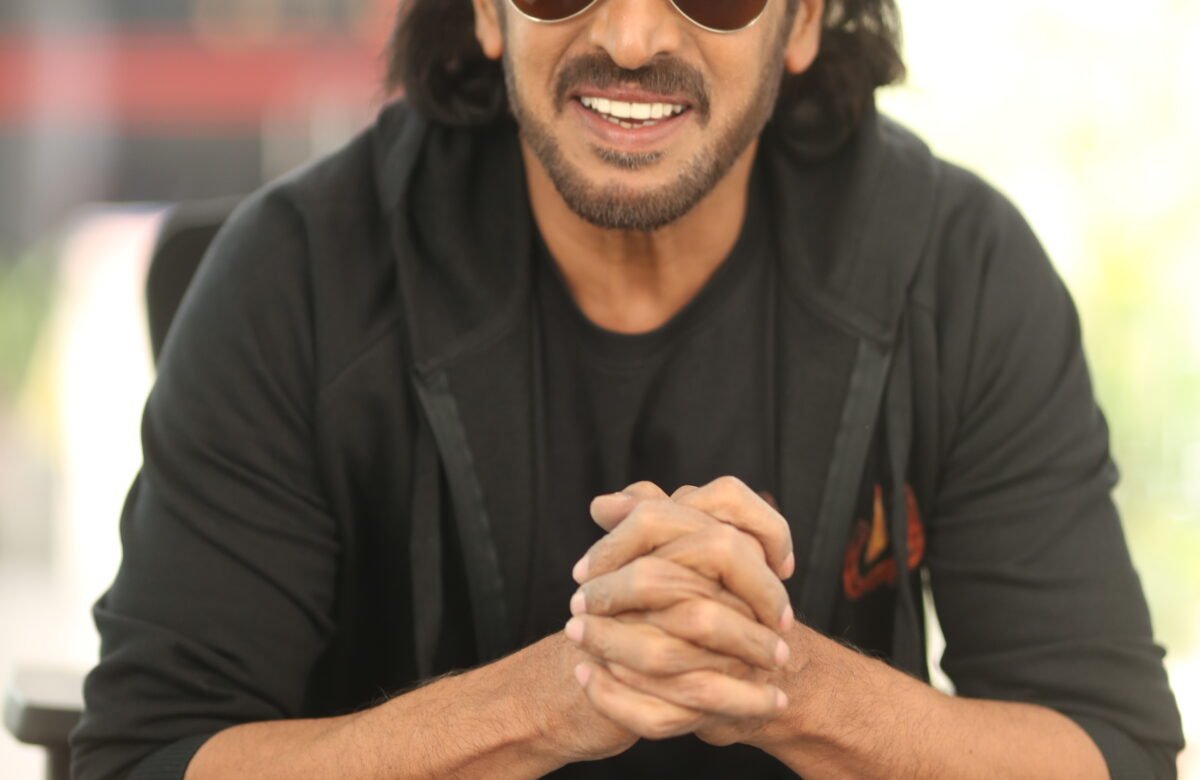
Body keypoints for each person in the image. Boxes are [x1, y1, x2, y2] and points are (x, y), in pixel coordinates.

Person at [71, 0, 1185, 777]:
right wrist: (547, 700)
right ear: (487, 12)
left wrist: (784, 680)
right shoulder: (297, 273)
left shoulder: (957, 269)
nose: (632, 35)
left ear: (803, 20)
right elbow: (148, 756)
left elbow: (1114, 752)